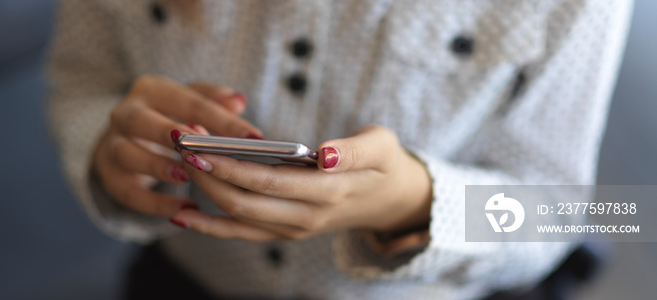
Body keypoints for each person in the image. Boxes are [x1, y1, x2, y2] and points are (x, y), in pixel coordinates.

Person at [47, 0, 632, 299]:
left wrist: (413, 202)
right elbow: (82, 80)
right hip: (190, 280)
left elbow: (552, 210)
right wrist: (108, 151)